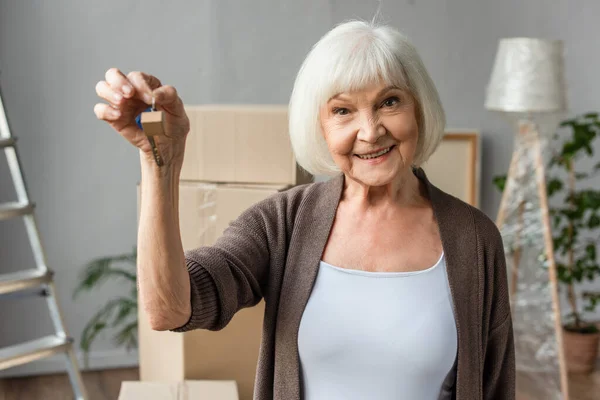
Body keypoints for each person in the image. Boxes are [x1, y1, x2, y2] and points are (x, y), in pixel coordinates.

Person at [94, 20, 514, 400]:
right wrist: (159, 161)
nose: (370, 131)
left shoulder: (474, 239)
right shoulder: (283, 223)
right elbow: (169, 309)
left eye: (389, 102)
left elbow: (495, 386)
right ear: (320, 127)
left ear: (419, 108)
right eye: (343, 110)